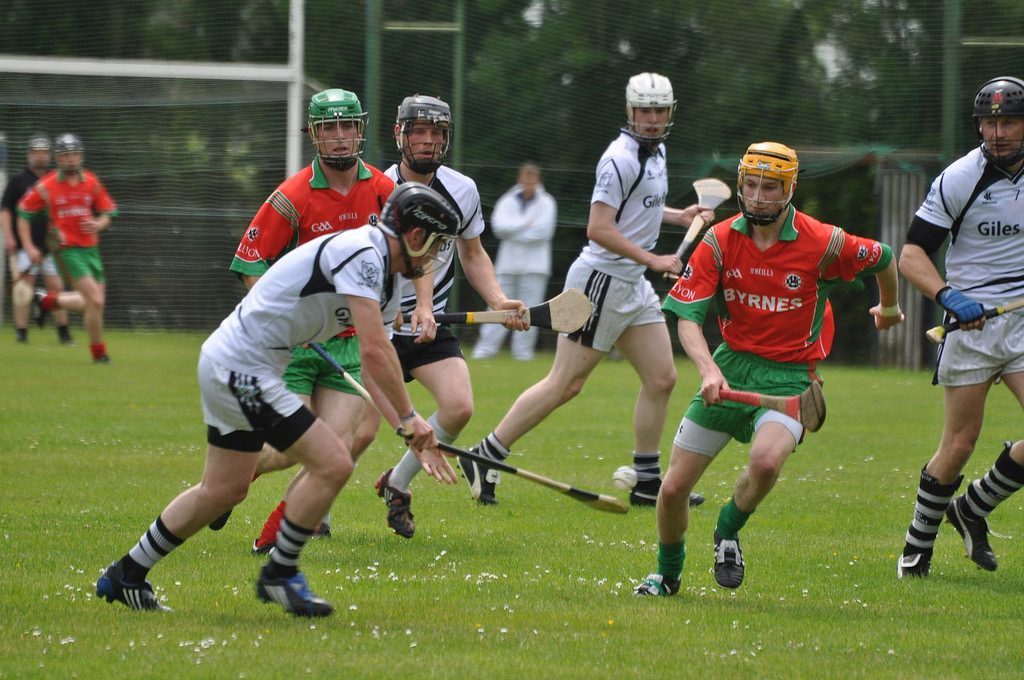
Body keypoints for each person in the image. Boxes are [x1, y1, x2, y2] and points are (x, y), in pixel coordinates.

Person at [95, 182, 461, 617]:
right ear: (416, 236)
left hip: (242, 364)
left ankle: (126, 574)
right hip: (242, 365)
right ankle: (280, 574)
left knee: (223, 489)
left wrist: (410, 429)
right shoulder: (364, 253)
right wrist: (409, 416)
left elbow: (374, 370)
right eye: (437, 245)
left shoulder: (389, 281)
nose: (435, 257)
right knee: (334, 461)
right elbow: (375, 351)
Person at [633, 141, 903, 596]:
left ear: (790, 189)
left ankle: (727, 530)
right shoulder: (718, 242)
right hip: (730, 368)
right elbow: (687, 319)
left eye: (770, 188)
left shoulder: (822, 241)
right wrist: (707, 371)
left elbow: (883, 256)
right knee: (674, 489)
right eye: (752, 185)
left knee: (765, 461)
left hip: (793, 376)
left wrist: (890, 307)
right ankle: (668, 573)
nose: (759, 196)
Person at [463, 73, 709, 508]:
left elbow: (639, 210)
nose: (652, 120)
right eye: (644, 111)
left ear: (670, 113)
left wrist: (677, 216)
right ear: (630, 112)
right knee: (565, 383)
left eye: (660, 111)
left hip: (632, 284)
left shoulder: (657, 153)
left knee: (662, 377)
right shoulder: (619, 160)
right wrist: (653, 259)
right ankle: (486, 454)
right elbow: (599, 228)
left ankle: (648, 482)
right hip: (602, 282)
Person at [223, 88, 427, 552]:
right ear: (314, 135)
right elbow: (251, 262)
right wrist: (280, 323)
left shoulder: (383, 190)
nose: (339, 138)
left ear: (360, 130)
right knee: (278, 451)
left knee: (332, 452)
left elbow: (418, 249)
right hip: (298, 345)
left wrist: (423, 305)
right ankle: (232, 483)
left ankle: (273, 541)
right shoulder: (292, 195)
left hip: (352, 341)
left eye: (347, 127)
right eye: (328, 128)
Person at [369, 93, 527, 538]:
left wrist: (497, 299)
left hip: (431, 321)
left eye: (437, 133)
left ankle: (397, 486)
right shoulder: (377, 187)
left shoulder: (463, 190)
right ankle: (310, 517)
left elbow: (472, 253)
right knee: (352, 429)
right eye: (418, 131)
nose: (428, 141)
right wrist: (395, 310)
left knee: (458, 407)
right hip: (378, 327)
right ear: (399, 134)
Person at [896, 76, 1024, 579]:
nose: (999, 132)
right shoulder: (959, 178)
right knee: (960, 443)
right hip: (970, 328)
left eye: (1009, 121)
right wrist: (948, 295)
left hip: (1022, 323)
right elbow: (911, 255)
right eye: (990, 123)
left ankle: (972, 508)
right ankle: (915, 547)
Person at [18, 133, 117, 363]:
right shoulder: (46, 185)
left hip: (91, 249)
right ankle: (99, 355)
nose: (71, 159)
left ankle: (48, 300)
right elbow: (23, 213)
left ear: (80, 156)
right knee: (96, 301)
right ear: (58, 159)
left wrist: (97, 224)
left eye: (74, 154)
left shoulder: (91, 181)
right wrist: (28, 246)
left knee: (93, 304)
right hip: (67, 250)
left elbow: (108, 212)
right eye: (65, 156)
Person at [472, 162, 558, 361]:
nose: (528, 183)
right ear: (520, 179)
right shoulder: (507, 200)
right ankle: (485, 350)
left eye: (532, 180)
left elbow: (542, 232)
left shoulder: (547, 202)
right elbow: (499, 228)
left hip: (535, 267)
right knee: (498, 306)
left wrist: (514, 231)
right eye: (525, 179)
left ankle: (523, 353)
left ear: (538, 181)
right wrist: (524, 225)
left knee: (530, 308)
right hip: (507, 264)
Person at [1, 135, 73, 344]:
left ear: (50, 156)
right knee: (23, 289)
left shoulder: (56, 179)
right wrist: (8, 237)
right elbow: (5, 211)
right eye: (36, 152)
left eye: (44, 152)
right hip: (25, 246)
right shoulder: (18, 180)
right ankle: (21, 334)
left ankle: (64, 333)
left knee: (57, 287)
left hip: (51, 246)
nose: (40, 156)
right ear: (29, 155)